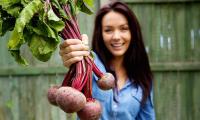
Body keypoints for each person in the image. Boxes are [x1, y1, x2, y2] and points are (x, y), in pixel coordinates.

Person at [59, 1, 155, 120]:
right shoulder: (88, 61)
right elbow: (76, 56)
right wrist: (72, 55)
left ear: (133, 32)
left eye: (123, 29)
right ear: (100, 34)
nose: (116, 37)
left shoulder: (143, 77)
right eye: (108, 30)